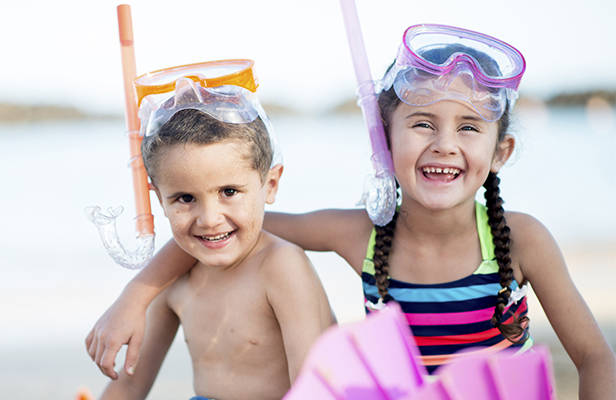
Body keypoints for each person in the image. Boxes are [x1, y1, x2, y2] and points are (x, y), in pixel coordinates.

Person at [87, 27, 615, 399]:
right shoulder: (360, 233)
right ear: (383, 142)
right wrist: (136, 295)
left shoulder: (521, 241)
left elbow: (595, 358)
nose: (445, 145)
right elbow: (232, 229)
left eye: (470, 128)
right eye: (423, 124)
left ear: (501, 153)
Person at [95, 60, 334, 400]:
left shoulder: (281, 267)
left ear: (270, 184)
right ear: (159, 200)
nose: (209, 219)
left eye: (230, 192)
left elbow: (312, 390)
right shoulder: (172, 280)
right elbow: (131, 384)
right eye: (185, 198)